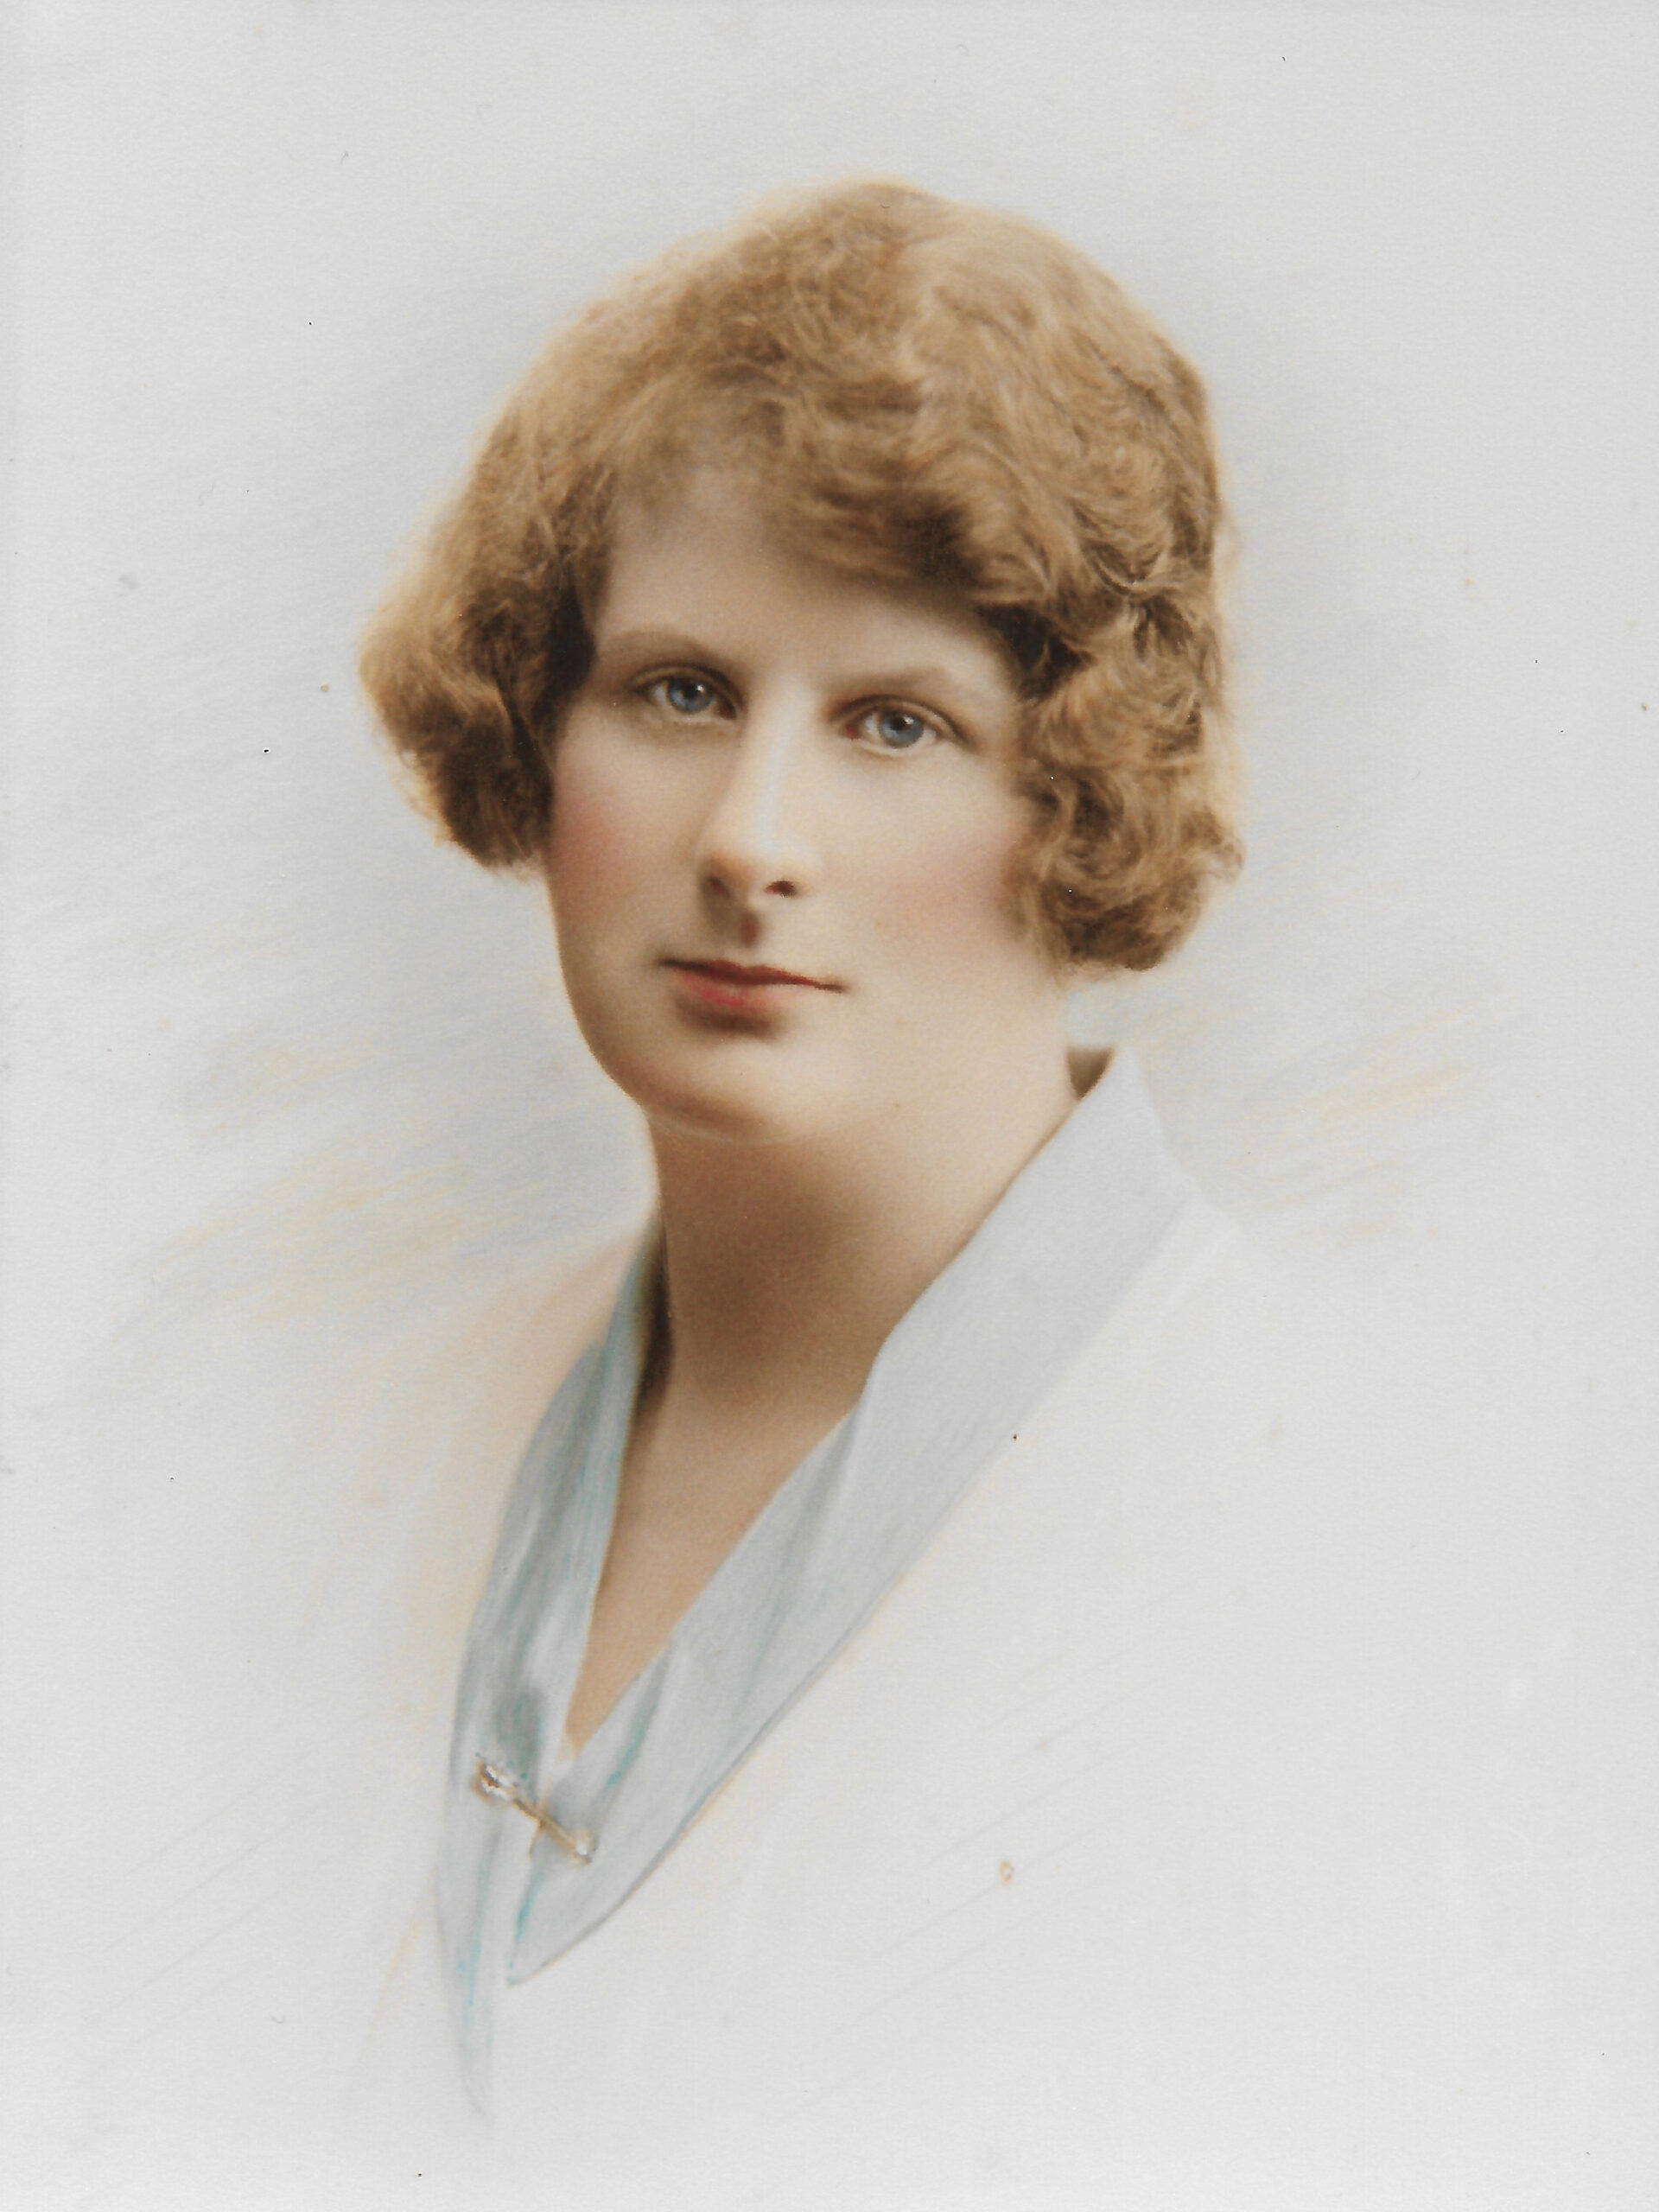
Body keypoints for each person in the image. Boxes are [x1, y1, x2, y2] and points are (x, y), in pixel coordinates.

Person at [351, 181, 1381, 2204]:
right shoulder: (378, 1432)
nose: (753, 839)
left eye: (895, 723)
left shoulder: (1320, 1507)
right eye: (679, 690)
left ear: (1078, 794)